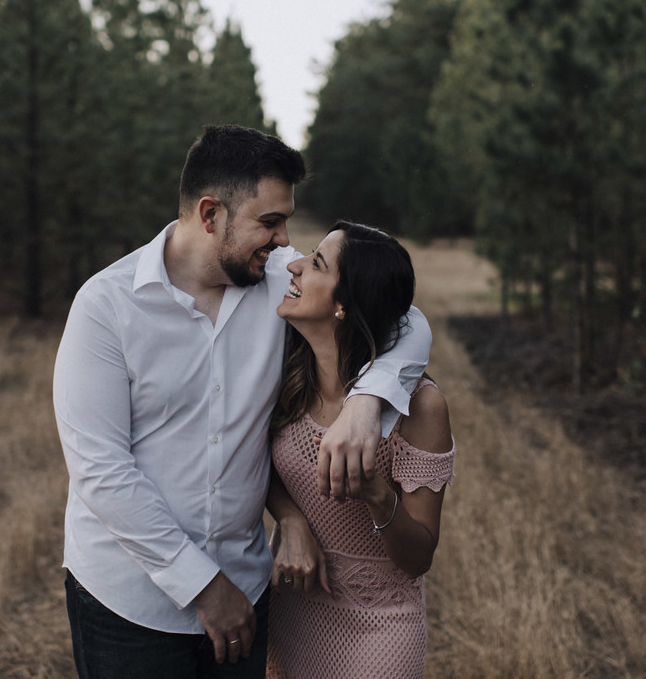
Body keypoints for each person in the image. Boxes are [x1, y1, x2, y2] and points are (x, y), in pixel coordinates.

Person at [52, 125, 432, 679]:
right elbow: (101, 471)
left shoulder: (279, 281)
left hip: (249, 592)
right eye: (270, 222)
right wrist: (205, 587)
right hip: (127, 605)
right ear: (211, 215)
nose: (284, 241)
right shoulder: (105, 307)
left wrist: (366, 402)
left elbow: (400, 315)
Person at [265, 221, 455, 679]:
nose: (293, 266)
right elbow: (253, 463)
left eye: (315, 264)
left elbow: (418, 558)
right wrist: (289, 517)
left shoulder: (420, 407)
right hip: (289, 611)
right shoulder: (287, 374)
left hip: (380, 630)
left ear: (344, 306)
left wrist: (376, 494)